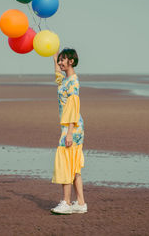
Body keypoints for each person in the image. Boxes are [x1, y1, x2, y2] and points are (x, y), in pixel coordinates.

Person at [50, 48, 87, 214]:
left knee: (66, 164)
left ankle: (66, 203)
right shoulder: (65, 80)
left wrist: (70, 133)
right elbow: (58, 74)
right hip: (70, 127)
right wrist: (53, 53)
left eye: (62, 60)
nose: (60, 63)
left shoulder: (73, 81)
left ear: (71, 61)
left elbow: (73, 107)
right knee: (73, 167)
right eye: (59, 60)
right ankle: (80, 203)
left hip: (72, 128)